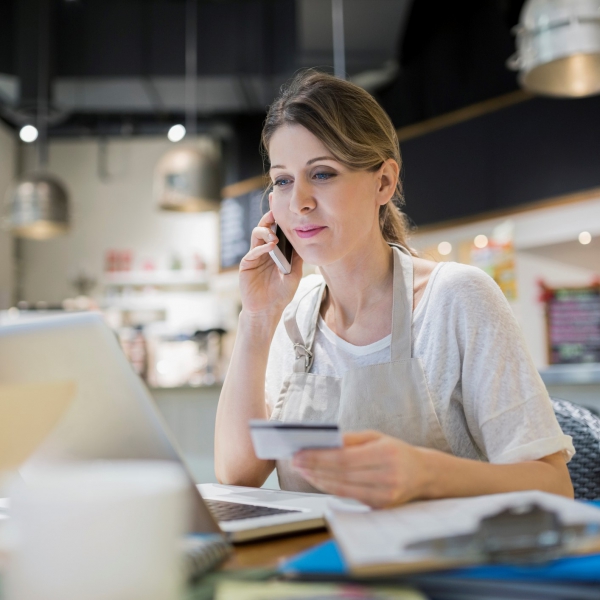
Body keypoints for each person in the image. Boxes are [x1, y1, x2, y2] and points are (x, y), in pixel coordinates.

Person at [214, 70, 574, 508]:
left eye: (323, 173)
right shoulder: (294, 320)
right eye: (283, 180)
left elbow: (555, 486)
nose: (299, 202)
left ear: (383, 182)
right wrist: (257, 319)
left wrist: (425, 474)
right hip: (324, 567)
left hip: (442, 565)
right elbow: (237, 474)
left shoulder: (457, 298)